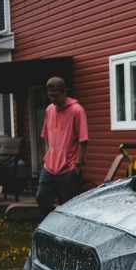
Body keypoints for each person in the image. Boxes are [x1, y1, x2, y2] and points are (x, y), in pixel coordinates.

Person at [36, 77, 88, 219]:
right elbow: (47, 136)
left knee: (68, 207)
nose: (52, 99)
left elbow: (83, 140)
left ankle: (66, 233)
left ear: (64, 92)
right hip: (49, 168)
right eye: (50, 96)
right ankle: (50, 226)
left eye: (55, 96)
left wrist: (77, 165)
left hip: (68, 169)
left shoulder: (77, 111)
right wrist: (48, 157)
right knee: (42, 198)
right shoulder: (49, 110)